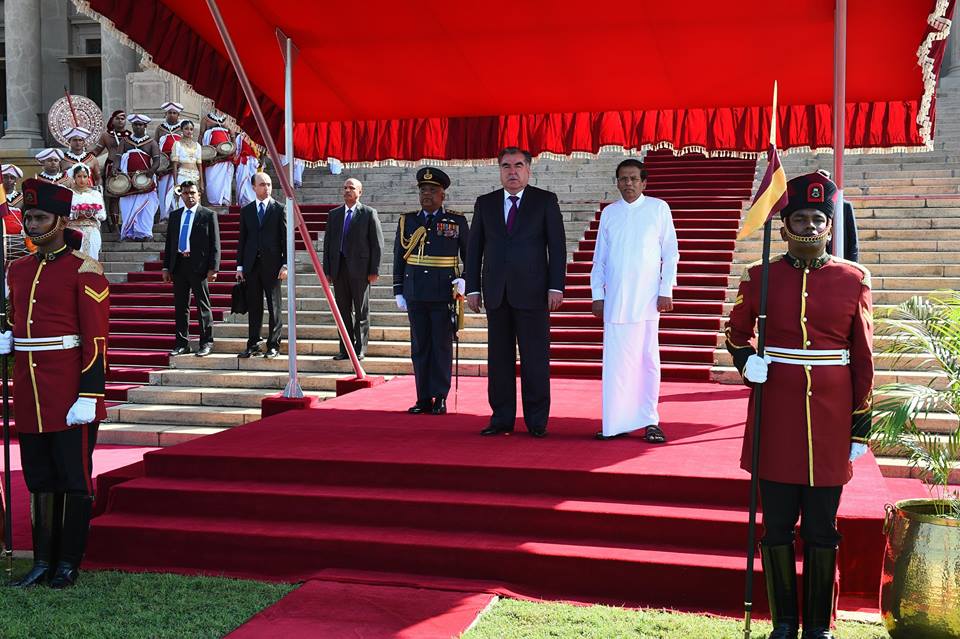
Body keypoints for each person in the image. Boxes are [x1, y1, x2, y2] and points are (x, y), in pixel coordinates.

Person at [724, 171, 873, 639]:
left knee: (823, 528)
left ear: (830, 226)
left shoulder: (853, 279)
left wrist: (860, 425)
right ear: (785, 225)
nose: (810, 226)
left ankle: (818, 627)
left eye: (817, 219)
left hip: (831, 418)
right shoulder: (759, 276)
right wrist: (746, 360)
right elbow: (736, 332)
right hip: (777, 414)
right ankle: (784, 624)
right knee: (777, 526)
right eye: (800, 218)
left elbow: (863, 357)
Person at [0, 178, 110, 588]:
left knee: (73, 476)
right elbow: (19, 317)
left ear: (61, 221)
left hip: (69, 391)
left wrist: (90, 393)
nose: (31, 224)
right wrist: (9, 337)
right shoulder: (18, 269)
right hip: (29, 389)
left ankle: (67, 562)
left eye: (39, 217)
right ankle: (42, 561)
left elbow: (97, 338)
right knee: (39, 476)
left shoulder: (84, 269)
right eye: (28, 217)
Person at [465, 147, 566, 437]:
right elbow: (474, 249)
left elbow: (557, 247)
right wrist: (472, 288)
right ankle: (501, 418)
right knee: (499, 360)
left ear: (528, 170)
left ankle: (537, 421)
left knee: (535, 359)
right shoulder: (485, 203)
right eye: (506, 166)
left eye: (518, 166)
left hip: (534, 293)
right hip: (497, 293)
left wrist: (556, 286)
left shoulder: (545, 201)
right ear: (499, 170)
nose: (512, 172)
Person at [590, 159, 679, 442]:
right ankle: (614, 423)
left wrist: (666, 289)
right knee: (615, 365)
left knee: (647, 362)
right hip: (616, 300)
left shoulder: (658, 208)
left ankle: (650, 421)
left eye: (633, 179)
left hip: (647, 301)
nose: (628, 183)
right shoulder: (609, 213)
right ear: (616, 182)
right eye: (623, 179)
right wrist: (597, 295)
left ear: (644, 182)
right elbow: (600, 258)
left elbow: (670, 253)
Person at [393, 168, 468, 415]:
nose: (427, 194)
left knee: (441, 346)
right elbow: (399, 257)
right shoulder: (407, 220)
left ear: (442, 195)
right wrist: (398, 290)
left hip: (443, 291)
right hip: (415, 290)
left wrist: (465, 280)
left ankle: (440, 396)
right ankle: (423, 397)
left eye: (432, 191)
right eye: (423, 190)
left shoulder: (456, 221)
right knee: (420, 346)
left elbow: (469, 254)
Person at [322, 178, 384, 360]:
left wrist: (374, 270)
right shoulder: (334, 214)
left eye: (351, 188)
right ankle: (345, 349)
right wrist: (327, 271)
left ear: (360, 192)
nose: (347, 190)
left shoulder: (368, 213)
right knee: (343, 311)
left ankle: (360, 348)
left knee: (361, 311)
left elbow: (377, 244)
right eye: (345, 188)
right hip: (339, 269)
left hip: (361, 270)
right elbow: (328, 244)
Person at [162, 181, 220, 357]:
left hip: (199, 266)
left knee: (202, 305)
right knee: (181, 306)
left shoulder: (208, 215)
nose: (190, 196)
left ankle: (206, 342)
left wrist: (214, 268)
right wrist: (166, 267)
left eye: (193, 192)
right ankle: (182, 343)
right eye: (186, 193)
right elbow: (170, 243)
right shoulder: (175, 216)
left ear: (199, 194)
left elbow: (215, 243)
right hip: (179, 264)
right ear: (182, 195)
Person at [236, 172, 286, 359]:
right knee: (254, 306)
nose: (267, 188)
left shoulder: (279, 209)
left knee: (274, 306)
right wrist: (240, 267)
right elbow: (243, 240)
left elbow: (286, 239)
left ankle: (273, 345)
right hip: (251, 265)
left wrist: (286, 265)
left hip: (273, 266)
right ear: (254, 187)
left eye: (269, 184)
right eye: (262, 184)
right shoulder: (247, 211)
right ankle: (253, 343)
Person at [117, 114, 161, 241]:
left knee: (146, 208)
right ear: (132, 126)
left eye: (140, 125)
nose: (137, 127)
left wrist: (151, 171)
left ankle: (145, 233)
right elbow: (118, 158)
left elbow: (157, 161)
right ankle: (128, 233)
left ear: (145, 126)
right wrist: (115, 169)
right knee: (127, 206)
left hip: (145, 180)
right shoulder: (125, 142)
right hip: (128, 181)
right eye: (135, 124)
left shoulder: (151, 143)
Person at [92, 109, 130, 232]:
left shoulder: (130, 135)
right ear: (112, 120)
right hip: (111, 167)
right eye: (117, 118)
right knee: (113, 197)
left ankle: (128, 224)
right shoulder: (106, 135)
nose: (120, 121)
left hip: (127, 168)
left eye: (123, 118)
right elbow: (96, 152)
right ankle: (114, 225)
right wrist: (84, 156)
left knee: (128, 197)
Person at [67, 164, 107, 260]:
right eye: (79, 176)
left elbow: (103, 215)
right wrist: (77, 214)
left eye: (85, 176)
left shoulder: (95, 194)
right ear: (74, 177)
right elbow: (64, 214)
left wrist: (92, 213)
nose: (82, 180)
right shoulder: (68, 193)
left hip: (91, 226)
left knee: (92, 240)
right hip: (72, 227)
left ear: (88, 177)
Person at [155, 101, 185, 220]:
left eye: (174, 113)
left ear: (178, 115)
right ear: (166, 114)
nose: (172, 115)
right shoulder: (160, 128)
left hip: (179, 164)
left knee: (177, 189)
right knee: (163, 190)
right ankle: (165, 216)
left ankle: (177, 215)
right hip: (164, 165)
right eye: (169, 113)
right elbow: (156, 145)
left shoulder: (183, 128)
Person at [201, 112, 233, 205]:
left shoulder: (228, 119)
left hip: (225, 157)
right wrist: (201, 153)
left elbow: (233, 136)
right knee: (212, 182)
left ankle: (224, 201)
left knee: (225, 181)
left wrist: (232, 151)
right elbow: (201, 136)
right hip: (210, 156)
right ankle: (214, 203)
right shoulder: (206, 119)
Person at [171, 119, 204, 200]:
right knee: (183, 200)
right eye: (186, 129)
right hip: (182, 175)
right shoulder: (177, 144)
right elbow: (174, 165)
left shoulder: (197, 146)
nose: (189, 131)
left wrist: (201, 182)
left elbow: (199, 165)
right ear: (181, 130)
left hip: (195, 176)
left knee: (194, 201)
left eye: (191, 129)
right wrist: (175, 183)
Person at [233, 130, 260, 208]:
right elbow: (237, 150)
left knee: (252, 181)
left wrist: (259, 160)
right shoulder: (240, 137)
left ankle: (252, 200)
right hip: (243, 163)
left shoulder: (256, 136)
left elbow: (260, 150)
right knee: (242, 180)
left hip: (253, 163)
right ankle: (243, 201)